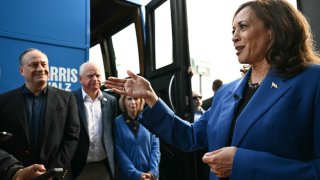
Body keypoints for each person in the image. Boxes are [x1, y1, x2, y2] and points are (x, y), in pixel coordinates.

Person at [105, 0, 320, 179]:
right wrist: (150, 97)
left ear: (274, 29)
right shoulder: (226, 92)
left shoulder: (312, 80)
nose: (234, 36)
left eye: (243, 27)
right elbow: (189, 136)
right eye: (233, 30)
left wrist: (243, 163)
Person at [0, 48, 80, 173]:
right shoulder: (3, 101)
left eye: (44, 64)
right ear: (21, 70)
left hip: (55, 175)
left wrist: (52, 172)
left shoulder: (68, 98)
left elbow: (72, 137)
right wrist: (16, 171)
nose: (40, 69)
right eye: (33, 65)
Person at [71, 62, 117, 180]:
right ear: (80, 79)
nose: (95, 79)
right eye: (90, 76)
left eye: (98, 75)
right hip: (78, 167)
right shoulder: (69, 99)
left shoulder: (111, 101)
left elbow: (113, 132)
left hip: (103, 167)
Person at [114, 94, 160, 180]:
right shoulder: (117, 123)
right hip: (127, 176)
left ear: (141, 101)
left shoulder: (149, 119)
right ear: (124, 102)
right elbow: (119, 152)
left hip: (149, 176)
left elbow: (155, 148)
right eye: (129, 99)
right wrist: (136, 175)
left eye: (136, 98)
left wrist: (153, 172)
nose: (133, 102)